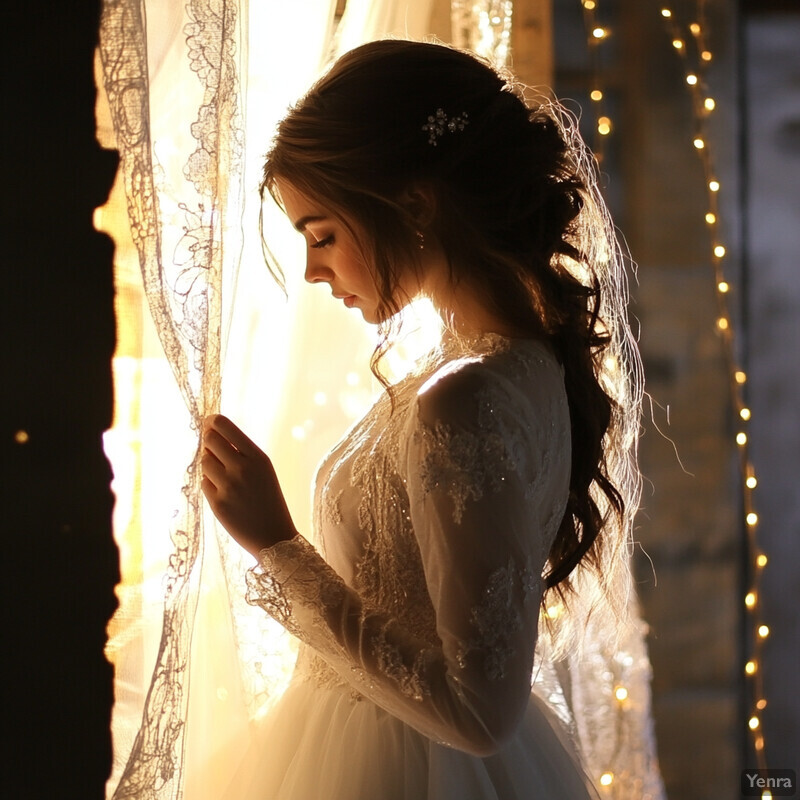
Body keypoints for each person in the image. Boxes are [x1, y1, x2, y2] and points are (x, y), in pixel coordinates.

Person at [201, 39, 664, 800]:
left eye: (323, 235)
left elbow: (481, 714)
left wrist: (278, 546)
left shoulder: (466, 398)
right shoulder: (508, 363)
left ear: (414, 204)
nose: (314, 270)